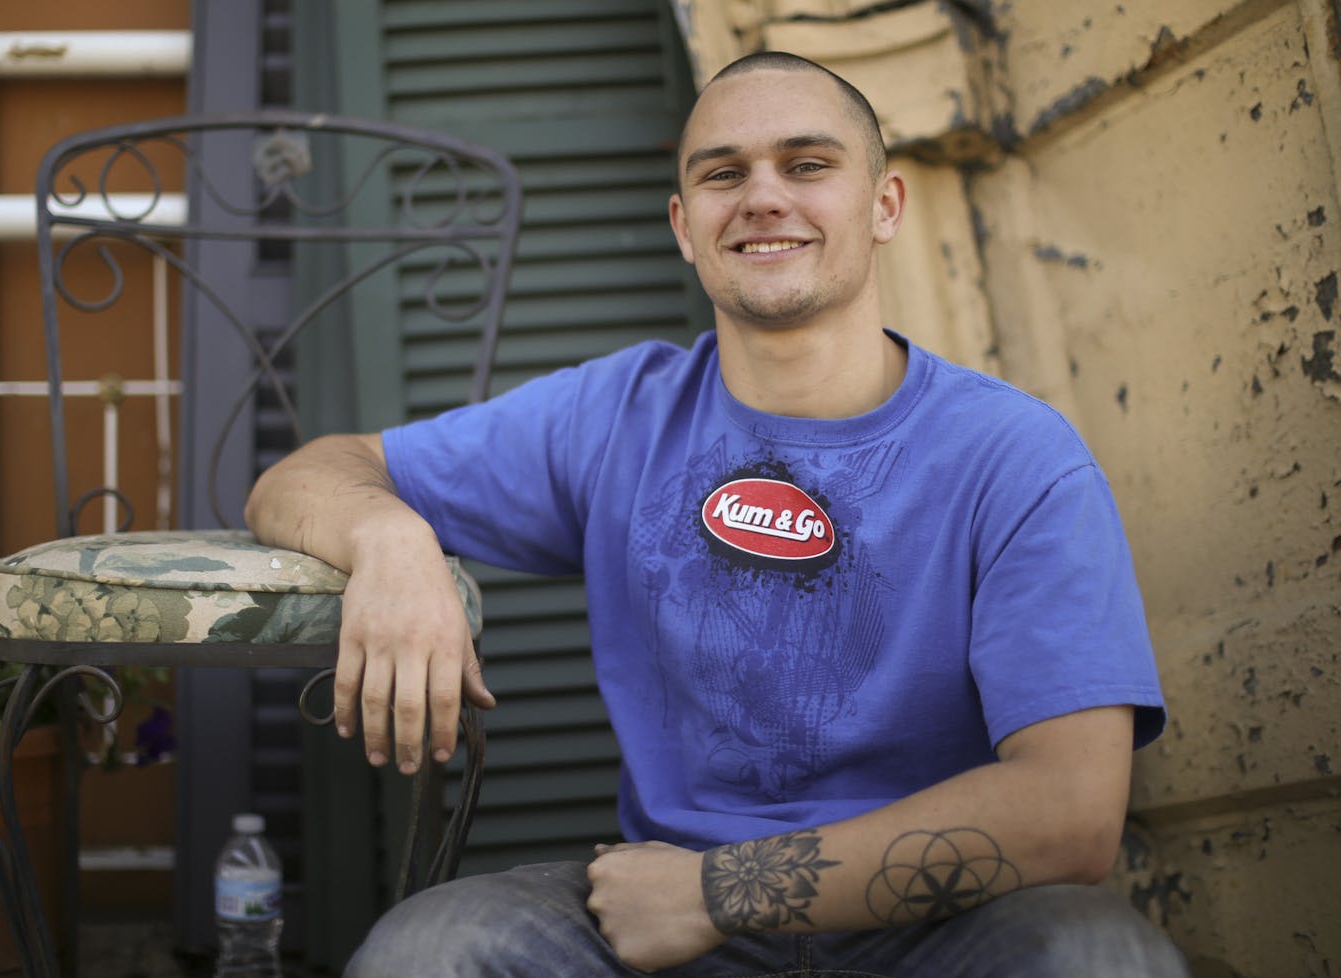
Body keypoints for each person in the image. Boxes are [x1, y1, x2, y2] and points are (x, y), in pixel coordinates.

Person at [245, 51, 1189, 978]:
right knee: (427, 953)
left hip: (939, 920)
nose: (764, 196)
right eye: (723, 174)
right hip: (659, 923)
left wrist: (718, 891)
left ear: (885, 205)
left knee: (1102, 956)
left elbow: (1072, 807)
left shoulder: (1016, 458)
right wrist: (390, 539)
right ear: (684, 226)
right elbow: (311, 474)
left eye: (809, 165)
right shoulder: (618, 415)